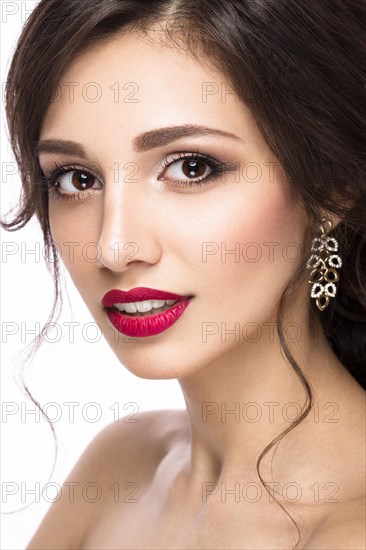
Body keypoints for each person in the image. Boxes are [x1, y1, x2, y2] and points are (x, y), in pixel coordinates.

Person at [2, 0, 365, 548]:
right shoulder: (121, 466)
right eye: (76, 179)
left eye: (191, 167)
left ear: (334, 186)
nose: (115, 246)